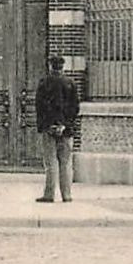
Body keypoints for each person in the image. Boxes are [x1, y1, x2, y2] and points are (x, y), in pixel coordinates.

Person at [34, 54, 80, 203]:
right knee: (66, 163)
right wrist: (65, 125)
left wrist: (48, 125)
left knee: (50, 163)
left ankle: (49, 194)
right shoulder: (70, 83)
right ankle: (66, 195)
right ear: (62, 66)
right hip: (66, 130)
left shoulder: (44, 83)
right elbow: (75, 108)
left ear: (50, 66)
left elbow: (40, 107)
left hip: (49, 129)